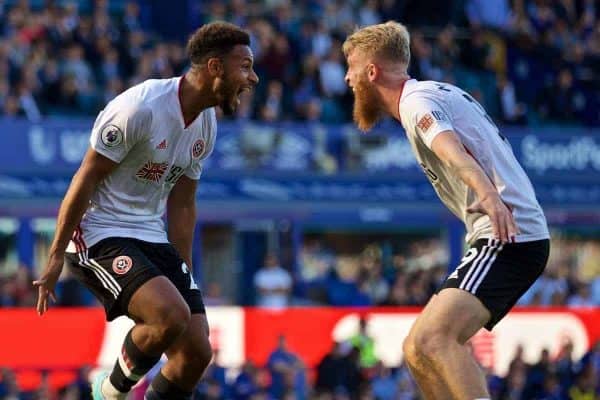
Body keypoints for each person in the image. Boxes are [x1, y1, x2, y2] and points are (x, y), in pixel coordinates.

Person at [33, 21, 259, 400]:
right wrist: (56, 255)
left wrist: (181, 273)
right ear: (215, 68)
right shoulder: (140, 107)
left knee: (196, 354)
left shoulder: (206, 123)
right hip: (99, 233)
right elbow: (84, 179)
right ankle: (109, 391)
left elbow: (184, 203)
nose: (252, 78)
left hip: (150, 234)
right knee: (169, 316)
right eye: (245, 67)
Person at [343, 22, 550, 399]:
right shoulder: (431, 93)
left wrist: (488, 194)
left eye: (351, 68)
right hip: (504, 235)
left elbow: (451, 150)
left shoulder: (415, 102)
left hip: (507, 236)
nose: (347, 78)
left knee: (435, 338)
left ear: (371, 72)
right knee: (416, 348)